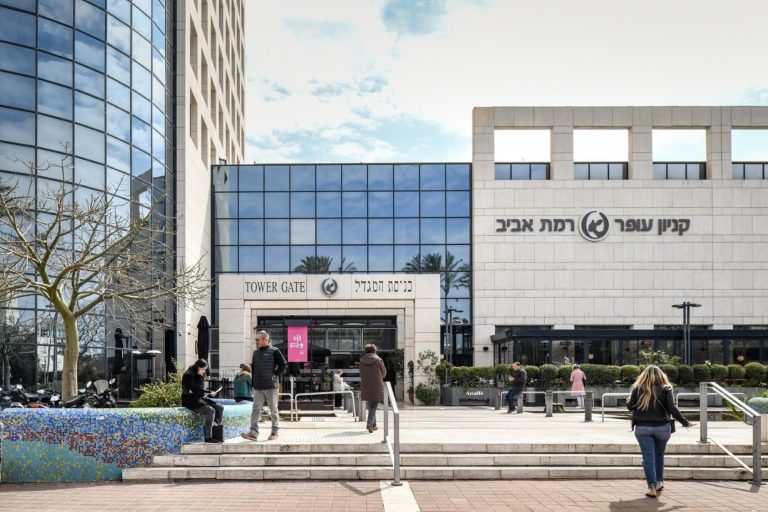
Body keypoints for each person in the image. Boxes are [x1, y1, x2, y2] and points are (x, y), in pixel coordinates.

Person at [627, 365, 695, 498]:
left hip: (642, 428)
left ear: (644, 375)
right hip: (662, 428)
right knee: (659, 455)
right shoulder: (666, 388)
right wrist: (685, 422)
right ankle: (659, 483)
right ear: (661, 375)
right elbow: (672, 408)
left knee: (648, 457)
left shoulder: (637, 388)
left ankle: (652, 488)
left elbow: (630, 406)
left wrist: (632, 399)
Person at [241, 330, 287, 441]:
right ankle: (253, 433)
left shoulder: (274, 351)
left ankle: (274, 432)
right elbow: (254, 369)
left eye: (258, 339)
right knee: (255, 409)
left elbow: (283, 364)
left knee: (273, 410)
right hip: (258, 387)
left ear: (265, 339)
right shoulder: (256, 353)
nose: (256, 341)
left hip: (271, 386)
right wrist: (253, 384)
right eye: (255, 339)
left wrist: (275, 374)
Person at [181, 359, 223, 443]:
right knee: (210, 411)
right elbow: (195, 390)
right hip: (191, 401)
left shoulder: (198, 374)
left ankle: (215, 428)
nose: (204, 371)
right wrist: (200, 377)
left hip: (199, 399)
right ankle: (208, 437)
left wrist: (210, 392)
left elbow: (200, 390)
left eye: (205, 369)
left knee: (220, 407)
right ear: (198, 367)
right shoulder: (189, 375)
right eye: (203, 369)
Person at [359, 344, 386, 433]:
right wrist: (380, 377)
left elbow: (361, 372)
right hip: (376, 385)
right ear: (375, 350)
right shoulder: (378, 360)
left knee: (371, 405)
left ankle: (374, 425)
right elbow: (384, 372)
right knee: (374, 405)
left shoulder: (362, 360)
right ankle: (370, 423)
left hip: (366, 386)